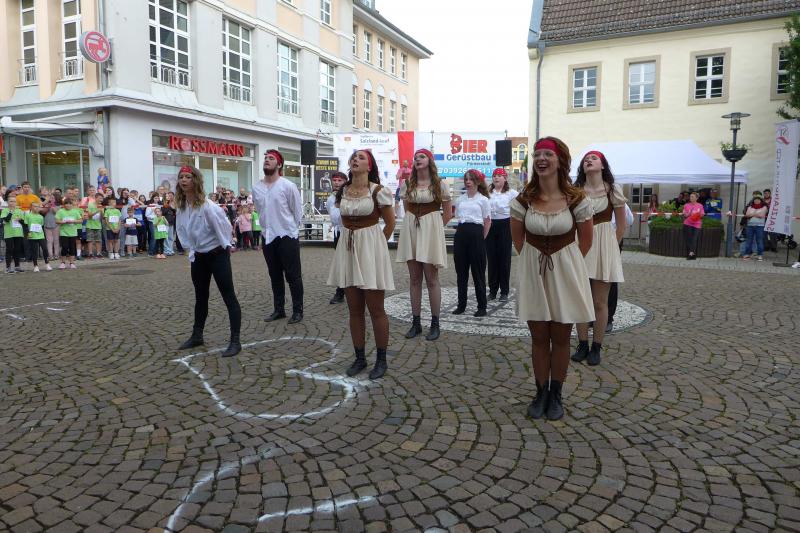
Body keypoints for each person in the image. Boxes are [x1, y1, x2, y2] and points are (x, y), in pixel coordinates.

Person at [510, 137, 594, 421]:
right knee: (538, 336)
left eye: (548, 154)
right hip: (534, 272)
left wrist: (565, 265)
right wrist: (536, 262)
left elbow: (586, 242)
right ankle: (540, 392)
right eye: (537, 154)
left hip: (565, 273)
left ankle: (556, 394)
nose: (541, 159)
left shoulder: (576, 199)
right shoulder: (523, 200)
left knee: (560, 336)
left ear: (560, 161)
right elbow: (518, 241)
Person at [327, 150, 396, 379]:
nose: (356, 159)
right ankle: (360, 358)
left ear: (370, 166)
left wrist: (377, 248)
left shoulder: (378, 191)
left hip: (370, 251)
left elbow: (390, 223)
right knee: (354, 309)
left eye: (361, 158)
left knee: (376, 309)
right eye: (354, 157)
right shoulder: (344, 190)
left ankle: (381, 360)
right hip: (347, 248)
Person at [175, 165, 242, 358]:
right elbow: (181, 229)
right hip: (199, 256)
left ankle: (235, 341)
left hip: (217, 254)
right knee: (200, 296)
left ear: (195, 180)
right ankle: (197, 335)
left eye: (188, 177)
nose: (184, 180)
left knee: (228, 296)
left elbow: (224, 227)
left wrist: (226, 246)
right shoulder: (182, 206)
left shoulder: (208, 206)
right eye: (181, 177)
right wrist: (191, 248)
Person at [571, 151, 627, 366]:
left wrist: (612, 248)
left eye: (594, 158)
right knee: (580, 299)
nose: (589, 160)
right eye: (586, 159)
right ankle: (582, 344)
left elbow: (621, 225)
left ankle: (596, 346)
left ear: (603, 165)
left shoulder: (612, 190)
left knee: (599, 302)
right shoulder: (575, 191)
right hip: (580, 245)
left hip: (604, 245)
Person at [396, 148, 452, 340]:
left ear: (429, 161)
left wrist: (433, 231)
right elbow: (407, 209)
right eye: (415, 157)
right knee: (414, 279)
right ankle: (416, 323)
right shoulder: (407, 184)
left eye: (422, 156)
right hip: (412, 230)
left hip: (430, 233)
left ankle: (435, 323)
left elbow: (447, 213)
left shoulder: (439, 185)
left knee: (432, 279)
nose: (417, 159)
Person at [252, 149, 305, 324]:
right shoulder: (257, 188)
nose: (267, 160)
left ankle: (297, 310)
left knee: (293, 275)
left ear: (279, 164)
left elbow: (297, 212)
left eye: (271, 158)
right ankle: (279, 309)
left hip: (287, 235)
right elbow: (260, 211)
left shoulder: (288, 186)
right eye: (266, 158)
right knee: (274, 275)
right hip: (268, 236)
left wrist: (291, 231)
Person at [452, 169, 491, 317]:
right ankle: (461, 305)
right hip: (461, 233)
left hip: (476, 234)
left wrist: (481, 238)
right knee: (461, 272)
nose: (468, 182)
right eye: (466, 179)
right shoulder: (460, 199)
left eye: (471, 179)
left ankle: (482, 306)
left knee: (478, 272)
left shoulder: (483, 200)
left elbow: (487, 221)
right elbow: (457, 216)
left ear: (478, 182)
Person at [486, 168, 518, 301]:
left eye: (499, 176)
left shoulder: (512, 193)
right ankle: (493, 290)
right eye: (494, 176)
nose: (496, 178)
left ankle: (504, 291)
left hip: (505, 224)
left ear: (505, 178)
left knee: (504, 258)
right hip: (491, 225)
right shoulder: (488, 192)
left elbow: (521, 206)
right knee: (492, 258)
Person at [606, 203, 634, 334]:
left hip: (613, 238)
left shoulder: (616, 199)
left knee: (610, 277)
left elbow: (629, 220)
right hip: (594, 239)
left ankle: (608, 317)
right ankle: (593, 315)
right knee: (590, 278)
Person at [326, 171, 348, 304]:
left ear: (345, 182)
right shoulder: (330, 199)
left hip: (349, 232)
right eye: (334, 180)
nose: (337, 183)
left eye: (340, 180)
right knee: (341, 263)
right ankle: (341, 292)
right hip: (338, 233)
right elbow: (334, 218)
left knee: (349, 262)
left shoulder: (349, 196)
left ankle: (344, 291)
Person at [56, 196, 83, 269]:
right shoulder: (61, 211)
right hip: (63, 233)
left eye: (69, 204)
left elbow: (81, 220)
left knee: (72, 248)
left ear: (72, 204)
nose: (68, 205)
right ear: (64, 205)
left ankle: (72, 263)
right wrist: (63, 222)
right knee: (64, 247)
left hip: (73, 233)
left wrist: (73, 221)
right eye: (66, 204)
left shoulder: (75, 211)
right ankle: (63, 262)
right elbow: (57, 221)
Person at [741, 192, 767, 261]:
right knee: (749, 240)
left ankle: (760, 255)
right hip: (750, 225)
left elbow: (761, 215)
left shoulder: (764, 207)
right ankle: (747, 254)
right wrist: (756, 214)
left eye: (758, 199)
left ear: (761, 200)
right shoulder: (750, 207)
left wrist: (752, 214)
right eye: (755, 199)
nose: (756, 201)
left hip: (760, 226)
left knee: (759, 240)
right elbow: (747, 215)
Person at [2, 195, 25, 273]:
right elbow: (6, 220)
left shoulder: (19, 210)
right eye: (11, 201)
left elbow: (24, 223)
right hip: (9, 233)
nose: (13, 203)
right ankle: (8, 267)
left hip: (18, 233)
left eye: (14, 201)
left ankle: (17, 266)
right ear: (7, 202)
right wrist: (11, 211)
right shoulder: (5, 210)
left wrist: (20, 219)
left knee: (17, 250)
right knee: (9, 250)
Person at [25, 200, 50, 272]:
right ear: (31, 207)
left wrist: (43, 234)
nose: (36, 208)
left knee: (45, 249)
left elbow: (41, 226)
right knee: (34, 251)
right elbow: (26, 225)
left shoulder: (41, 217)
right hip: (32, 236)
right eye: (35, 206)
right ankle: (35, 266)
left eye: (38, 206)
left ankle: (47, 264)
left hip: (41, 235)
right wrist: (28, 234)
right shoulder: (27, 215)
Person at [681, 191, 705, 260]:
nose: (691, 198)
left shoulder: (700, 205)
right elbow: (684, 215)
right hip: (687, 224)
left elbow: (702, 214)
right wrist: (688, 214)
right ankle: (691, 254)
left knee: (694, 239)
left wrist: (698, 215)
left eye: (692, 197)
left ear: (696, 198)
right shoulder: (686, 205)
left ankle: (691, 254)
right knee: (688, 240)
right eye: (690, 197)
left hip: (697, 225)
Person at [85, 192, 104, 259]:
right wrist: (97, 211)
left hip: (98, 225)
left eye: (102, 198)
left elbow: (102, 218)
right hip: (90, 225)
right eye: (99, 198)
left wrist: (101, 212)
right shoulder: (90, 204)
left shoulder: (101, 206)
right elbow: (89, 215)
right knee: (90, 240)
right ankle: (90, 253)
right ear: (95, 198)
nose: (101, 200)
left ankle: (98, 253)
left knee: (98, 240)